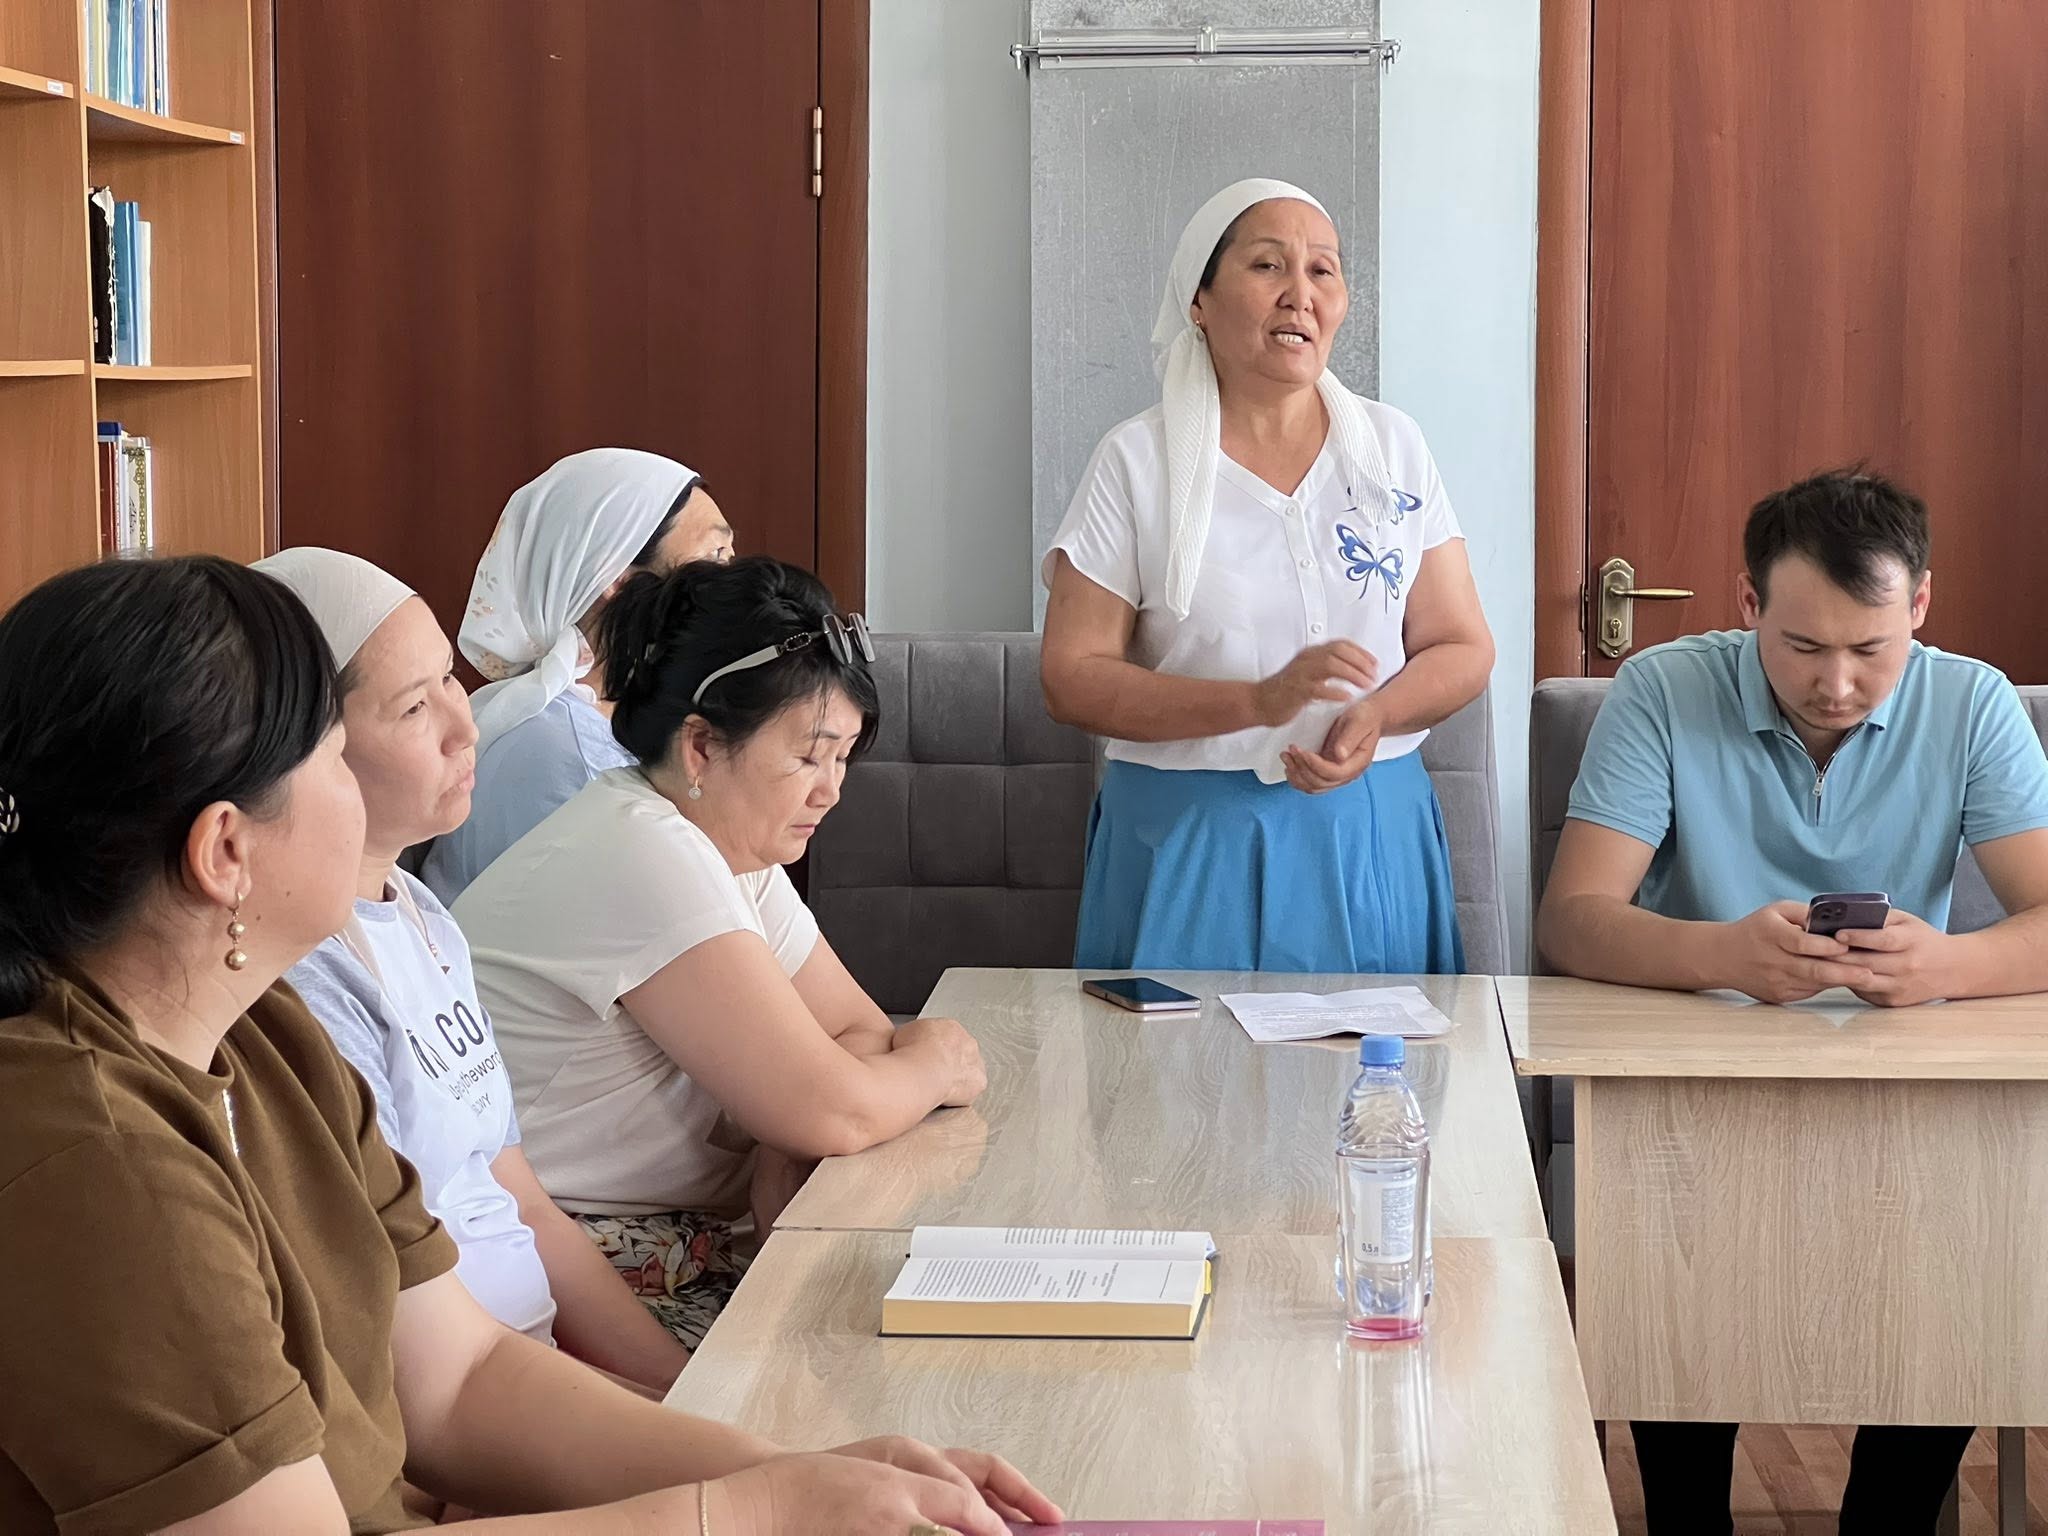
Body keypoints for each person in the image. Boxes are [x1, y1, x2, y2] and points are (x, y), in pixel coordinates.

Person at [0, 554, 1057, 1534]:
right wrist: (753, 1510)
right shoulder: (98, 1161)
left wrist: (791, 1469)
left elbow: (458, 1380)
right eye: (331, 756)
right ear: (226, 852)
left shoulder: (270, 1035)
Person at [1538, 468, 2048, 1534]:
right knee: (1677, 1284)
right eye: (1803, 647)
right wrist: (1718, 953)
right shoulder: (1662, 690)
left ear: (1919, 605)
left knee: (1965, 1257)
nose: (1837, 685)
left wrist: (1943, 967)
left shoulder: (1971, 703)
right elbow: (1572, 920)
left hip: (1904, 1088)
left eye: (1871, 650)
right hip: (1696, 1081)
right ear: (1747, 602)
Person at [455, 556, 987, 1347]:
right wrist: (936, 1058)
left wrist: (788, 1130)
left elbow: (859, 1037)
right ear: (701, 746)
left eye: (842, 757)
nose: (831, 789)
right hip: (568, 1273)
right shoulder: (643, 852)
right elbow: (840, 1105)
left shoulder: (723, 847)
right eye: (807, 756)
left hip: (678, 1249)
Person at [256, 547, 694, 1393]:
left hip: (529, 1375)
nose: (467, 730)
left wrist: (680, 1394)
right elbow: (421, 1372)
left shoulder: (423, 916)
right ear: (307, 751)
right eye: (414, 707)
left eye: (450, 682)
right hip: (463, 1406)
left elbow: (519, 1201)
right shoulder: (300, 981)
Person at [1040, 177, 1494, 973]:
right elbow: (1070, 677)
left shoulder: (1394, 449)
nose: (1300, 295)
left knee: (1375, 1056)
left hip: (1368, 831)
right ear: (1199, 300)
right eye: (1267, 266)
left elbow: (1463, 645)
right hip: (1188, 839)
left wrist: (1376, 714)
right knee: (1175, 1056)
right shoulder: (1135, 462)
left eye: (1322, 270)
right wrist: (1254, 702)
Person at [421, 447, 736, 904]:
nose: (732, 581)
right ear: (617, 577)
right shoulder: (566, 753)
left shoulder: (603, 717)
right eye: (716, 554)